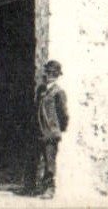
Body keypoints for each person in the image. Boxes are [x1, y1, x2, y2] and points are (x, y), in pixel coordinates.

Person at [26, 59, 69, 198]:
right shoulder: (40, 90)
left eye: (53, 73)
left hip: (50, 132)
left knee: (49, 162)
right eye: (48, 72)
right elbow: (35, 108)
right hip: (38, 130)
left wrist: (57, 129)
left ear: (57, 75)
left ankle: (49, 189)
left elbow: (63, 114)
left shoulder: (58, 92)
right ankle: (30, 187)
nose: (49, 75)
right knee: (33, 159)